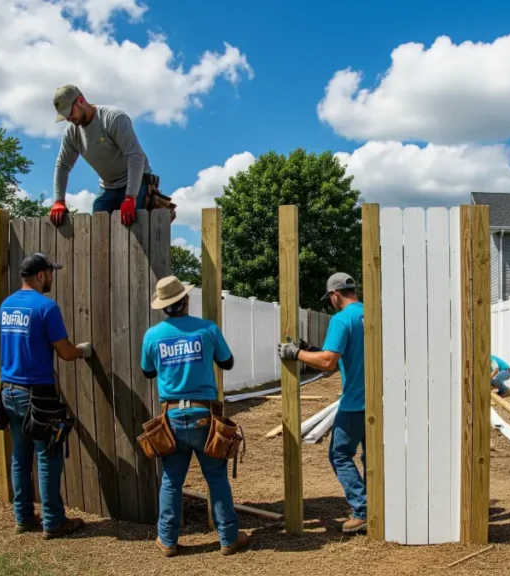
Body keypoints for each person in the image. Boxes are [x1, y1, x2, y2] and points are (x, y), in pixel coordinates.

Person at [140, 275, 251, 557]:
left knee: (171, 481)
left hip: (172, 418)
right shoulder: (207, 329)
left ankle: (167, 540)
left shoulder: (153, 336)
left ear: (163, 306)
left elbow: (148, 371)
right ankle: (228, 538)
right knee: (216, 478)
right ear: (186, 300)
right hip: (204, 415)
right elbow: (227, 362)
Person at [0, 253, 92, 538]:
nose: (53, 277)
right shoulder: (46, 308)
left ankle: (23, 517)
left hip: (9, 391)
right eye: (51, 273)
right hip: (37, 397)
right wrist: (82, 350)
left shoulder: (6, 305)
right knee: (48, 455)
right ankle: (53, 522)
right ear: (40, 275)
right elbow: (64, 352)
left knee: (20, 456)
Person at [277, 272, 367, 533]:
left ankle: (362, 511)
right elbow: (344, 359)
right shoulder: (372, 315)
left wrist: (296, 353)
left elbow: (328, 363)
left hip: (354, 404)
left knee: (339, 455)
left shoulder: (341, 320)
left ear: (335, 295)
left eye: (330, 298)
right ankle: (378, 508)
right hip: (378, 402)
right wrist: (312, 350)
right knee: (372, 458)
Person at [49, 84, 152, 227]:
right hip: (108, 187)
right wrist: (58, 201)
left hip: (136, 182)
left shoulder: (113, 117)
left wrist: (130, 197)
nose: (68, 118)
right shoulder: (72, 133)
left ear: (80, 101)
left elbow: (135, 156)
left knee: (133, 228)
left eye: (69, 112)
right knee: (99, 229)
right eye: (64, 115)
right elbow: (62, 166)